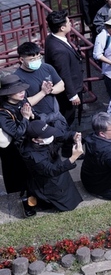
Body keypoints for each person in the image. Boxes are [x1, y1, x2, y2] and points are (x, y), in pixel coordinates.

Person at [19, 120, 83, 212]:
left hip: (58, 170)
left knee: (69, 192)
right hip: (46, 180)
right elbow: (50, 170)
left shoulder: (47, 134)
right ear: (34, 140)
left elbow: (62, 135)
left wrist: (74, 136)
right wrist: (73, 158)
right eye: (46, 136)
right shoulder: (31, 155)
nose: (50, 136)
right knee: (66, 205)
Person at [0, 75, 33, 216]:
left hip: (26, 147)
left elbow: (33, 115)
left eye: (22, 90)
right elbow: (16, 134)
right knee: (15, 179)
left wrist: (32, 116)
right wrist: (25, 118)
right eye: (17, 91)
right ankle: (17, 205)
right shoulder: (3, 112)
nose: (22, 93)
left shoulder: (22, 101)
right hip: (12, 152)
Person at [43, 10, 84, 126]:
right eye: (68, 22)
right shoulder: (58, 50)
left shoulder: (52, 39)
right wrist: (72, 95)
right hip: (68, 91)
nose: (71, 23)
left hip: (71, 86)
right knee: (67, 118)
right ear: (62, 28)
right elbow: (64, 73)